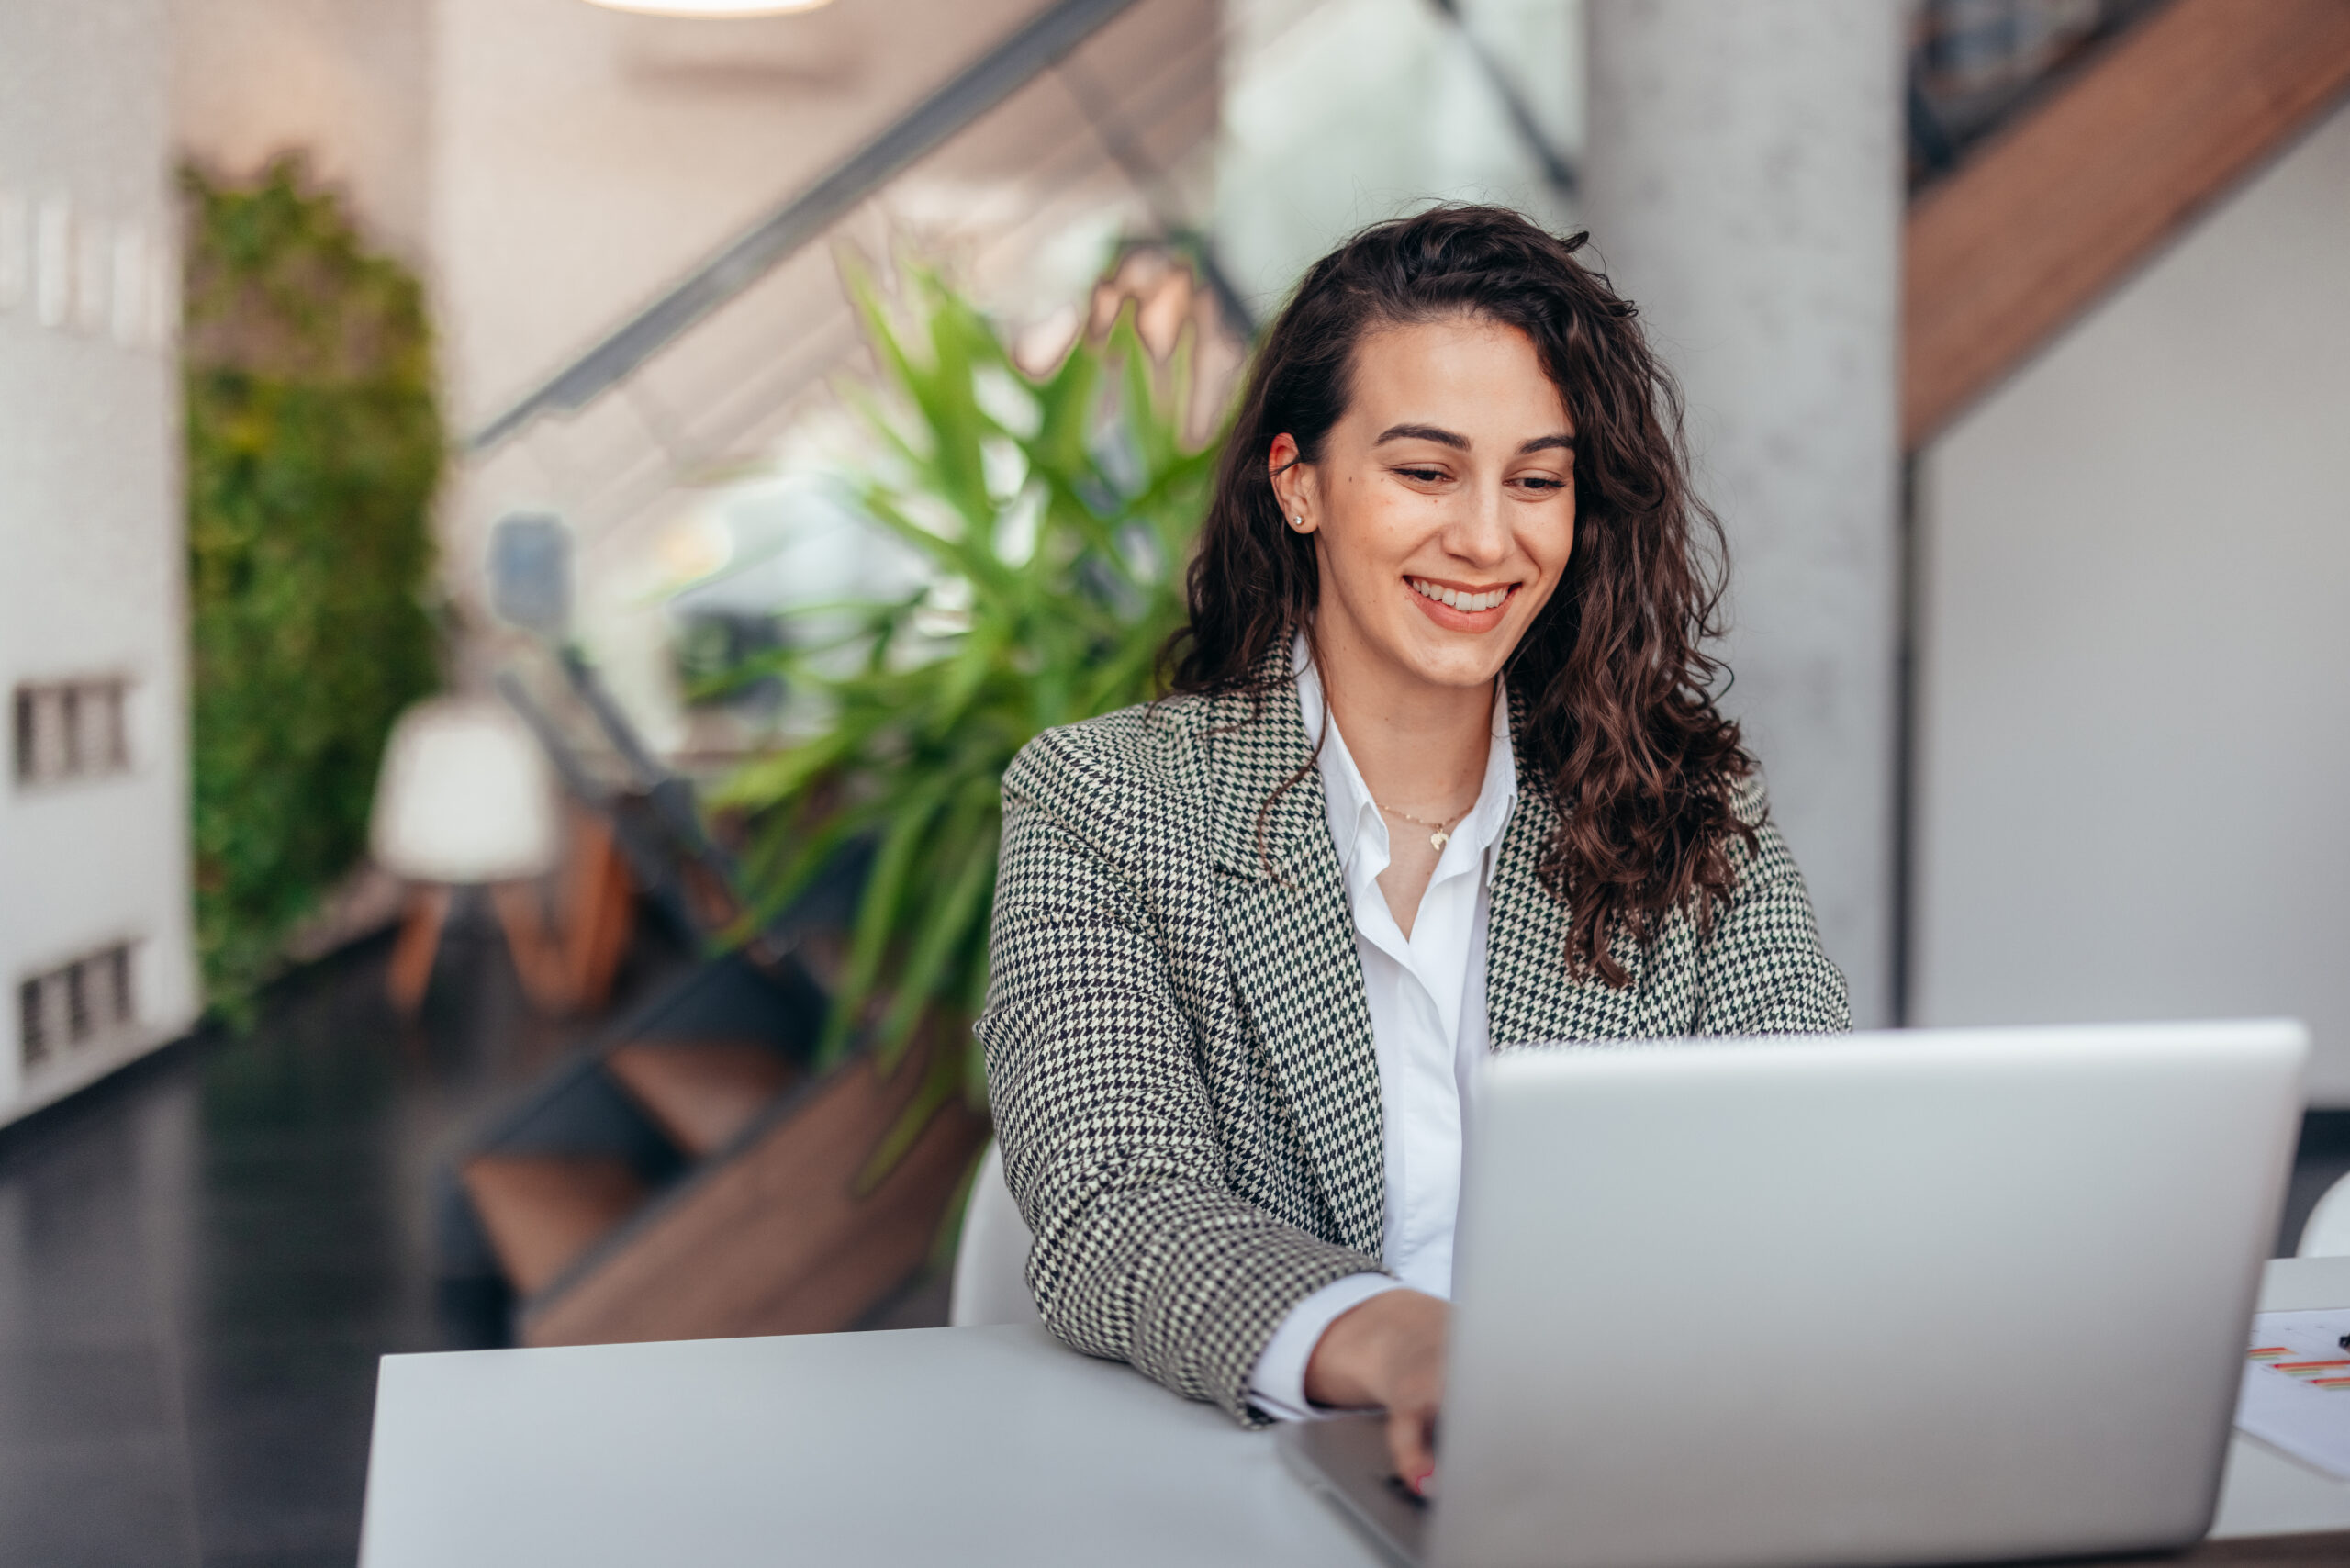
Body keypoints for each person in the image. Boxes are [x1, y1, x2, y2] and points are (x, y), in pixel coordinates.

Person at [976, 205, 1849, 1495]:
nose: (1488, 540)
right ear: (1299, 484)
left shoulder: (1686, 801)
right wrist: (1406, 1346)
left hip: (1624, 1469)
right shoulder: (1104, 803)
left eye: (1536, 479)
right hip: (1256, 1484)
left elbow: (1809, 1153)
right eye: (1426, 472)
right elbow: (1118, 1202)